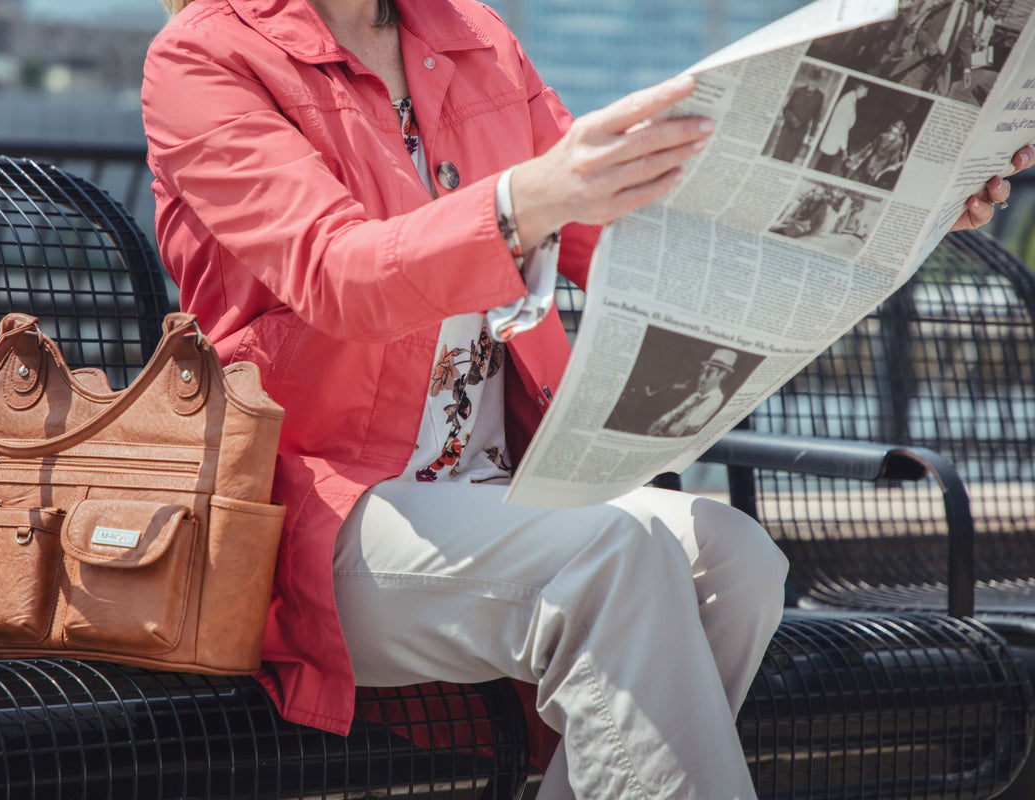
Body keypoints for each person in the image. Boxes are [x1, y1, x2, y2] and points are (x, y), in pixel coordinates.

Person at [142, 1, 1031, 796]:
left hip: (489, 498)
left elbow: (625, 234)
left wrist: (897, 206)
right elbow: (342, 276)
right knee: (619, 557)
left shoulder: (472, 35)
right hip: (315, 516)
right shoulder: (205, 57)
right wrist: (530, 197)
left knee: (735, 559)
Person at [647, 348, 737, 437]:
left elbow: (685, 429)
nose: (701, 378)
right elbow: (675, 412)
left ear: (722, 374)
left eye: (709, 373)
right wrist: (662, 421)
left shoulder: (716, 398)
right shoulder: (696, 395)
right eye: (702, 372)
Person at [815, 82, 869, 175]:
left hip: (834, 138)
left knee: (824, 162)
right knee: (824, 166)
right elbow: (843, 128)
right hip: (835, 139)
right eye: (865, 91)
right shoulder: (848, 102)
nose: (866, 95)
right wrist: (844, 148)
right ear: (859, 88)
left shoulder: (850, 98)